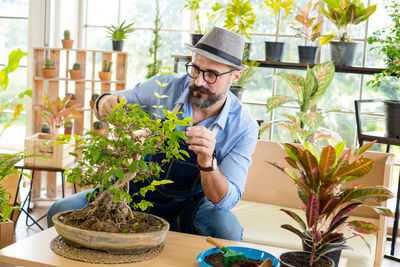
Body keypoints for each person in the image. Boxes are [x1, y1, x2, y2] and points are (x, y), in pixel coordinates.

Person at [47, 26, 259, 241]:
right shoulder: (164, 87)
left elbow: (224, 201)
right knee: (60, 209)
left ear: (235, 76)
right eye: (195, 69)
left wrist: (208, 161)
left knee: (227, 228)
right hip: (129, 193)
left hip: (188, 207)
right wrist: (105, 102)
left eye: (211, 74)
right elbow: (110, 100)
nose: (198, 81)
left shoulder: (243, 127)